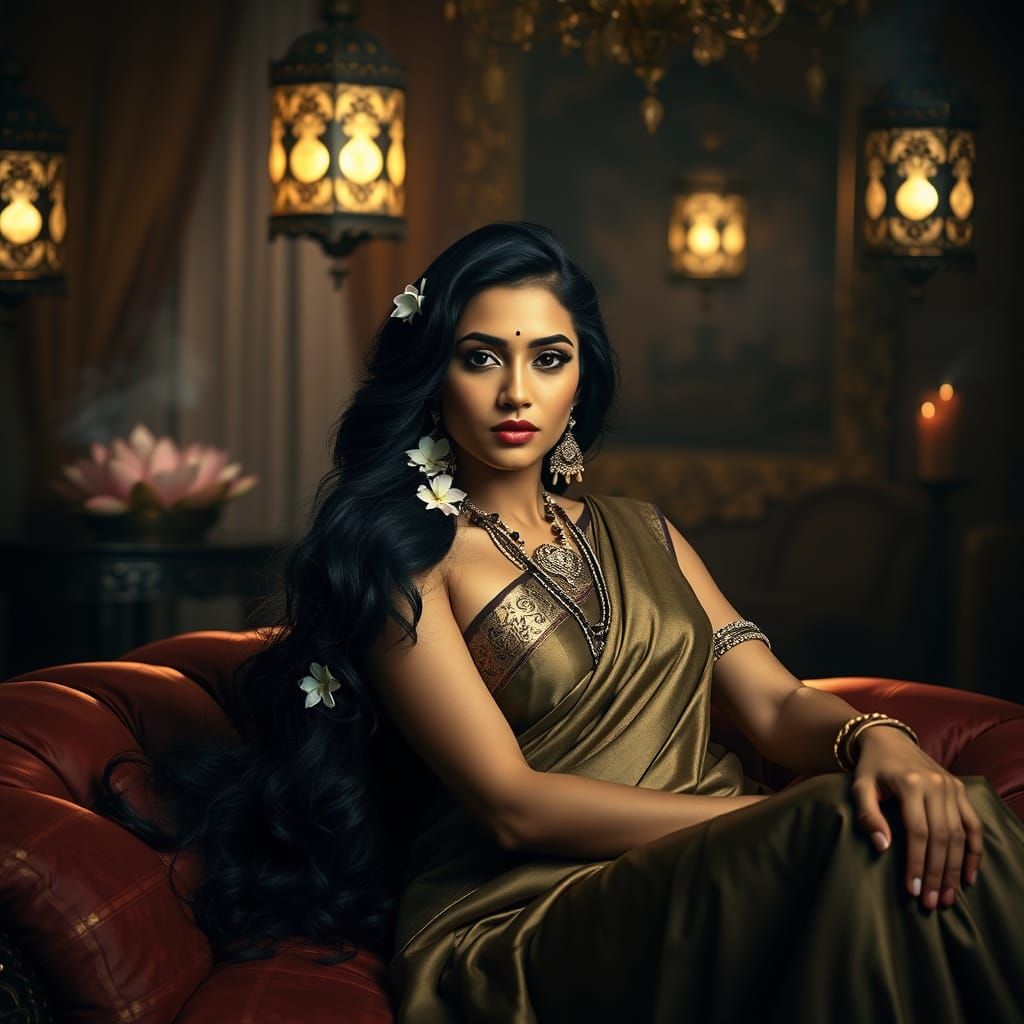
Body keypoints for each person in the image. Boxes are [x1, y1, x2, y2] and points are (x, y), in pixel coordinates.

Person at [98, 222, 1024, 1023]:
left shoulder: (644, 529)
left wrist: (882, 742)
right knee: (839, 834)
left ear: (581, 375)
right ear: (434, 376)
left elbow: (777, 704)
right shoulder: (403, 564)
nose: (516, 393)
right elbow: (511, 805)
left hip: (738, 859)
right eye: (480, 357)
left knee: (952, 808)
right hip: (531, 912)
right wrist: (754, 818)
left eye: (548, 357)